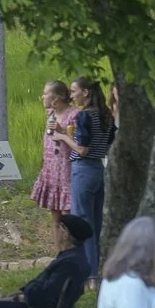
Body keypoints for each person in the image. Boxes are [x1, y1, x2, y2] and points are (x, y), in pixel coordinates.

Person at [0, 214, 92, 308]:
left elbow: (45, 293)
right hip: (44, 307)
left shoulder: (69, 263)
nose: (55, 231)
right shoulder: (75, 258)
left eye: (59, 227)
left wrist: (19, 298)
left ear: (66, 235)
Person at [69, 75, 112, 266]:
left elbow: (82, 150)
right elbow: (109, 143)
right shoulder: (106, 115)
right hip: (98, 168)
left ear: (85, 92)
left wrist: (63, 137)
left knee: (83, 221)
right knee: (96, 221)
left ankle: (89, 271)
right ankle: (100, 266)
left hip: (83, 169)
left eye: (73, 91)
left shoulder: (84, 116)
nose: (72, 96)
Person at [31, 81, 77, 243]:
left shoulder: (74, 115)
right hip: (51, 172)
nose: (42, 97)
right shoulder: (50, 113)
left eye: (45, 93)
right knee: (55, 220)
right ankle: (60, 253)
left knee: (68, 218)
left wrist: (61, 130)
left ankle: (73, 251)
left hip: (66, 172)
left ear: (56, 98)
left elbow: (79, 143)